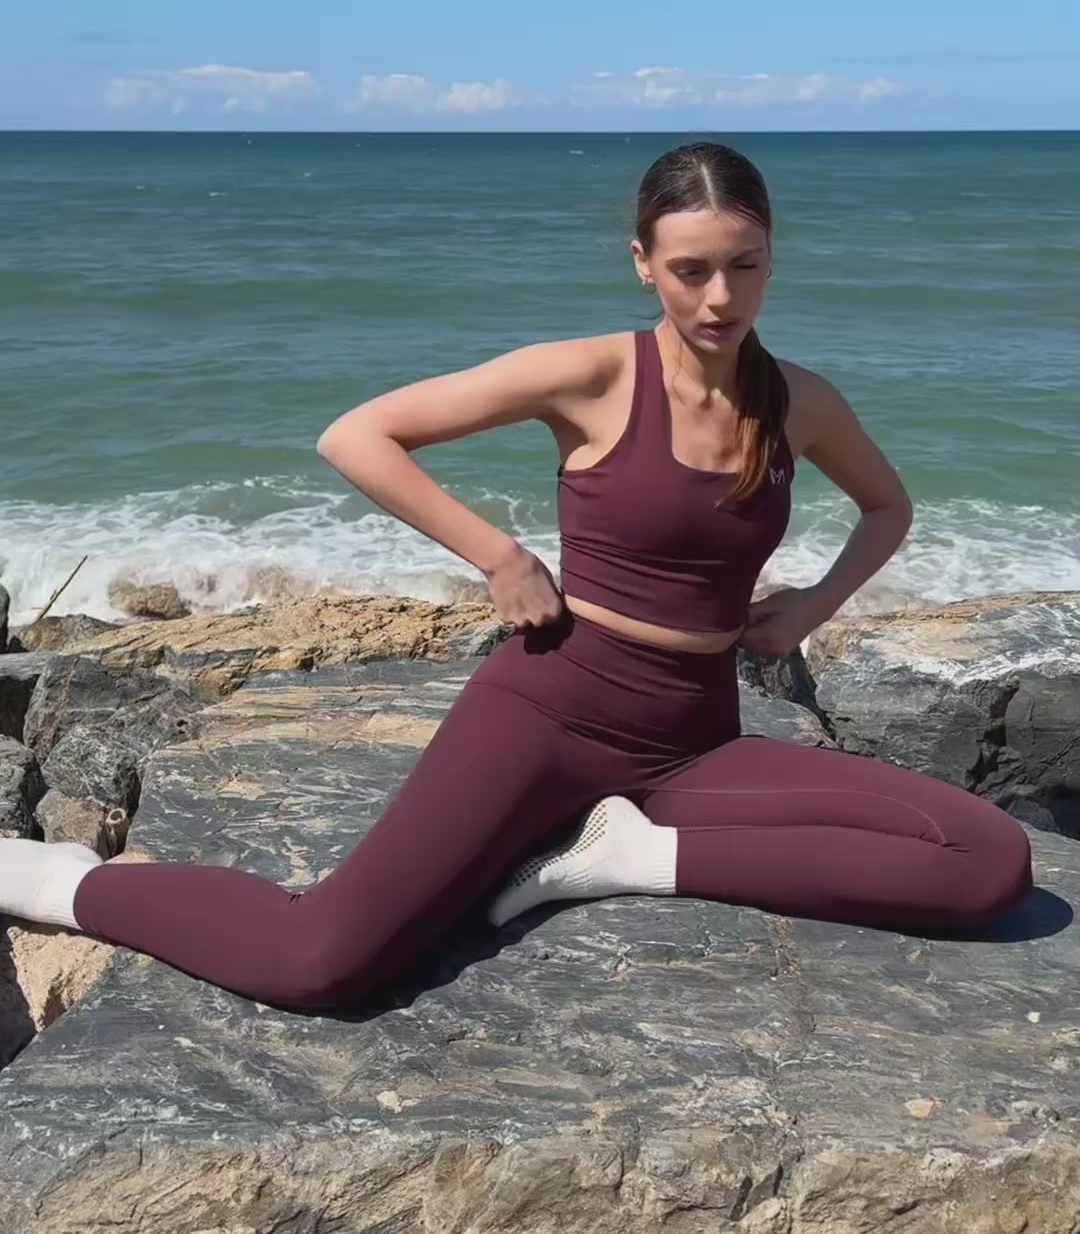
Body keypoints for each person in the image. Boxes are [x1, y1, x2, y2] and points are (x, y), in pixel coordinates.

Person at [0, 140, 1032, 1011]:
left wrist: (811, 605)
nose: (720, 297)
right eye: (690, 270)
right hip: (550, 714)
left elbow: (889, 507)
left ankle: (621, 858)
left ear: (770, 260)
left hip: (693, 741)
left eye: (744, 266)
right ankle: (65, 882)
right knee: (322, 963)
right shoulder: (590, 375)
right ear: (643, 263)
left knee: (987, 861)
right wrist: (498, 555)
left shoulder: (800, 402)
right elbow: (358, 436)